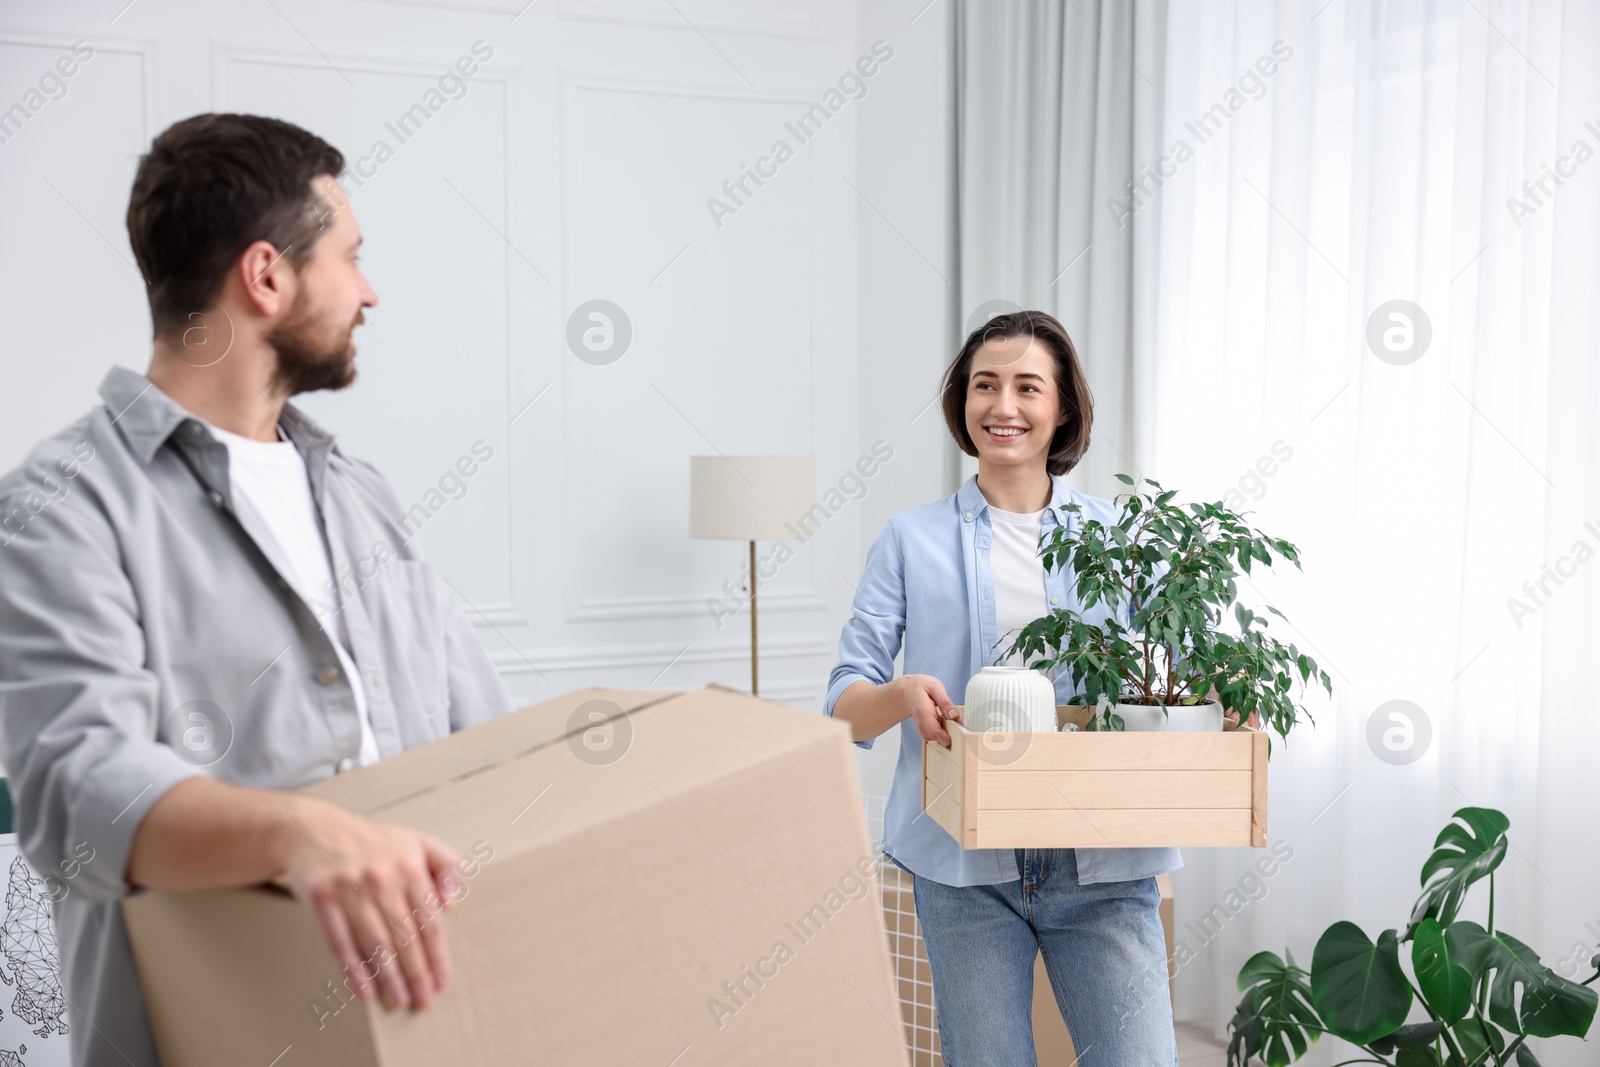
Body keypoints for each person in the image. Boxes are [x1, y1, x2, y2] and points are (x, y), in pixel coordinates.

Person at [0, 113, 513, 1067]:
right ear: (267, 275)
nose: (370, 292)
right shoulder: (62, 503)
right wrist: (297, 834)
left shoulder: (361, 496)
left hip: (423, 1029)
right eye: (350, 258)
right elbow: (75, 789)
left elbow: (490, 745)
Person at [825, 311, 1179, 1066]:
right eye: (985, 385)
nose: (1003, 406)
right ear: (962, 403)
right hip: (962, 866)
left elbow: (1183, 672)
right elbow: (844, 701)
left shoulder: (1120, 541)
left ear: (1063, 409)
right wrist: (903, 693)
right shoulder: (909, 539)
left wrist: (1232, 690)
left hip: (1104, 861)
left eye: (1027, 387)